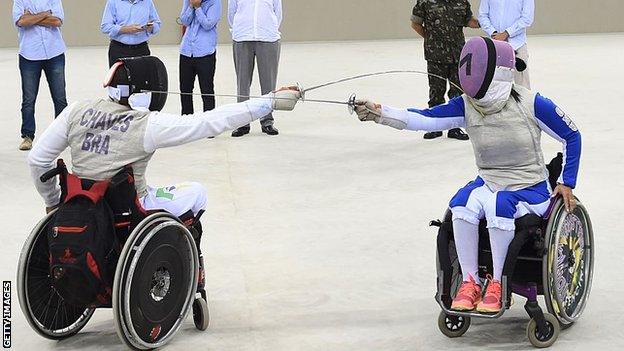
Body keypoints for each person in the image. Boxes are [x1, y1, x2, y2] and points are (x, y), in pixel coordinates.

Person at [27, 56, 301, 297]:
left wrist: (53, 202)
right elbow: (209, 121)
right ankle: (185, 274)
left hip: (82, 206)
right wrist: (270, 101)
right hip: (131, 212)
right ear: (146, 92)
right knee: (196, 192)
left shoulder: (75, 110)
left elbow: (38, 159)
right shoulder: (146, 125)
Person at [352, 37, 581, 313]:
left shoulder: (532, 104)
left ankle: (498, 284)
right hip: (490, 181)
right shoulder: (466, 105)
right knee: (461, 203)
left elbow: (571, 135)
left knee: (499, 205)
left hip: (530, 188)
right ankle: (470, 283)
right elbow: (422, 118)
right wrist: (379, 113)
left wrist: (567, 182)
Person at [411, 0, 479, 140]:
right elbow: (415, 24)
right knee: (436, 92)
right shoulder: (425, 2)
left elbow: (469, 21)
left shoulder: (462, 2)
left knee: (457, 92)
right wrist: (430, 38)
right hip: (436, 55)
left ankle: (455, 127)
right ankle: (435, 127)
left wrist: (483, 22)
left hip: (458, 54)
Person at [13, 0, 68, 151]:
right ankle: (27, 136)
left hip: (54, 53)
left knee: (60, 98)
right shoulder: (20, 1)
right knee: (29, 100)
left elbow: (57, 21)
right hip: (29, 55)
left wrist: (33, 18)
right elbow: (22, 21)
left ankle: (62, 135)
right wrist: (45, 15)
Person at [228, 0, 282, 137]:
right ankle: (243, 123)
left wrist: (271, 28)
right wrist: (238, 30)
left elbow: (278, 12)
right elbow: (231, 13)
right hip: (242, 37)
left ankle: (267, 120)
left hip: (268, 38)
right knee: (243, 84)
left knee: (268, 84)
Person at [479, 0, 534, 88]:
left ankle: (523, 102)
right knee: (495, 82)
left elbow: (527, 19)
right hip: (495, 45)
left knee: (522, 84)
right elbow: (483, 16)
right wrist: (494, 33)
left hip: (518, 44)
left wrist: (506, 33)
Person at [179, 0, 221, 115]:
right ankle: (187, 122)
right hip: (186, 51)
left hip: (205, 52)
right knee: (185, 90)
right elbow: (184, 21)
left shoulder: (215, 3)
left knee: (207, 91)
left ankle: (209, 125)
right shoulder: (188, 1)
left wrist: (198, 8)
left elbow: (208, 24)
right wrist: (191, 6)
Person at [101, 0, 162, 67]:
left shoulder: (148, 2)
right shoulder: (113, 2)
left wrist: (151, 27)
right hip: (119, 50)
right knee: (119, 77)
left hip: (142, 50)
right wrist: (125, 29)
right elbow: (105, 27)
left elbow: (157, 23)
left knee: (143, 77)